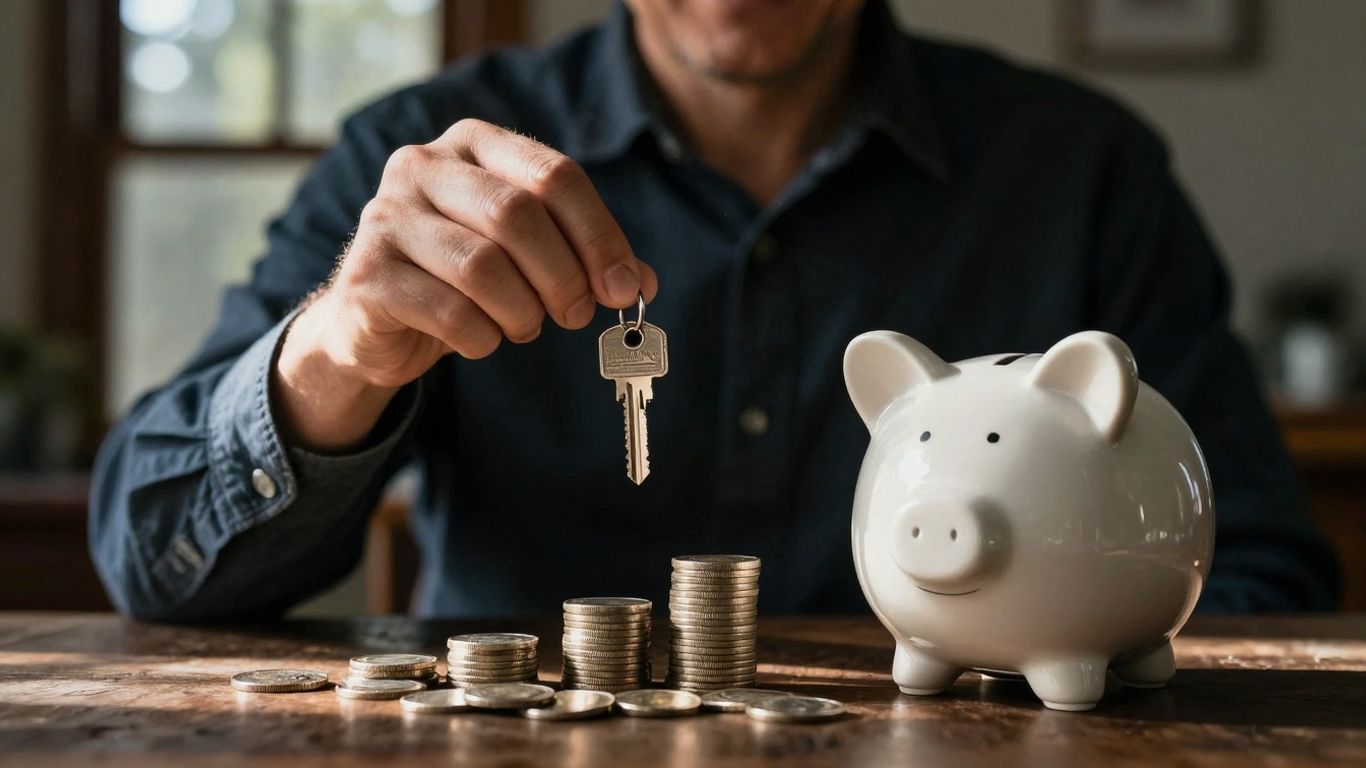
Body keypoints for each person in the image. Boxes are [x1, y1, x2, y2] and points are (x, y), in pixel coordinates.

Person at [89, 0, 1337, 620]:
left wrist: (1048, 667)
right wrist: (341, 352)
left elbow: (1258, 571)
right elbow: (152, 558)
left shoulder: (1081, 173)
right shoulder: (416, 158)